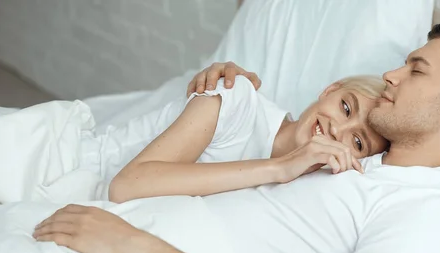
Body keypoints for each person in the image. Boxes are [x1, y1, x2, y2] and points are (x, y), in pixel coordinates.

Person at [33, 21, 440, 253]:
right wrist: (229, 98)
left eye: (416, 70)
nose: (392, 77)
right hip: (104, 230)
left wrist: (133, 246)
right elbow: (262, 146)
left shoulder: (429, 215)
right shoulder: (357, 157)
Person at [105, 74, 388, 203]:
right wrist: (278, 169)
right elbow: (125, 187)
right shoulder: (237, 100)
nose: (339, 130)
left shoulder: (307, 191)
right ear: (330, 90)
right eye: (346, 107)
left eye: (358, 142)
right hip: (91, 165)